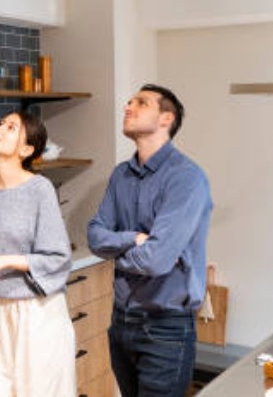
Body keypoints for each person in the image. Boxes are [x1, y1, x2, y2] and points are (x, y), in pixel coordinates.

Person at [87, 84, 212, 397]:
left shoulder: (185, 177)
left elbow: (156, 260)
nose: (129, 107)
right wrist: (134, 238)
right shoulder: (121, 175)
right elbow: (94, 235)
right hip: (120, 322)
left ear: (166, 119)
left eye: (141, 103)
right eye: (129, 102)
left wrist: (117, 254)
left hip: (165, 327)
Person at [0, 111, 76, 397]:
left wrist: (2, 261)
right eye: (0, 123)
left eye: (11, 127)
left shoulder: (40, 189)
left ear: (26, 150)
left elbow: (58, 258)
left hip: (39, 312)